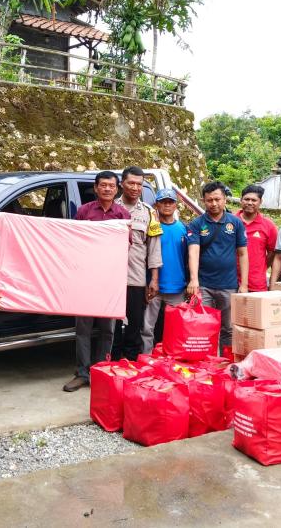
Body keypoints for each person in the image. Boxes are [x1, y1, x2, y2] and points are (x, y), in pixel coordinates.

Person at [63, 171, 131, 392]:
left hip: (110, 281)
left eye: (111, 186)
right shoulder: (84, 211)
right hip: (85, 279)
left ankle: (101, 372)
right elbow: (73, 241)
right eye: (103, 185)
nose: (107, 189)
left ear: (117, 189)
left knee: (107, 331)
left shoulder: (122, 214)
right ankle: (82, 373)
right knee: (82, 330)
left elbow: (126, 245)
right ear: (96, 188)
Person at [186, 181, 249, 351]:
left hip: (228, 285)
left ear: (225, 200)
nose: (214, 203)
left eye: (217, 199)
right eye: (209, 200)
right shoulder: (196, 224)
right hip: (204, 285)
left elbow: (243, 254)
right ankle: (205, 360)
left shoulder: (235, 223)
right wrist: (193, 280)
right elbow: (193, 252)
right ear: (203, 201)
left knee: (228, 328)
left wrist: (244, 284)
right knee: (202, 325)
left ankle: (225, 360)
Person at [112, 166, 162, 361]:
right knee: (112, 326)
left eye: (139, 184)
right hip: (111, 279)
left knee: (135, 324)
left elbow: (154, 248)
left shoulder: (149, 213)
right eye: (131, 183)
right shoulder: (111, 207)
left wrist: (154, 279)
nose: (135, 188)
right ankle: (113, 362)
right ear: (122, 184)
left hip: (136, 278)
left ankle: (131, 363)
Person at [142, 188, 187, 354]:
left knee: (177, 328)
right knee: (147, 327)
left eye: (170, 202)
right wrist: (146, 282)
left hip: (177, 287)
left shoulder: (183, 229)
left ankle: (173, 359)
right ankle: (146, 357)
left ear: (176, 205)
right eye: (163, 202)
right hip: (153, 286)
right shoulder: (151, 227)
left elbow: (188, 258)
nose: (167, 205)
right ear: (156, 205)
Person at [234, 185, 278, 292]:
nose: (249, 203)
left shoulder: (269, 226)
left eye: (254, 200)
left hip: (256, 283)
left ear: (260, 202)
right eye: (246, 199)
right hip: (230, 282)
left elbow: (272, 252)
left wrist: (261, 267)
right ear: (241, 200)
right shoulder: (231, 222)